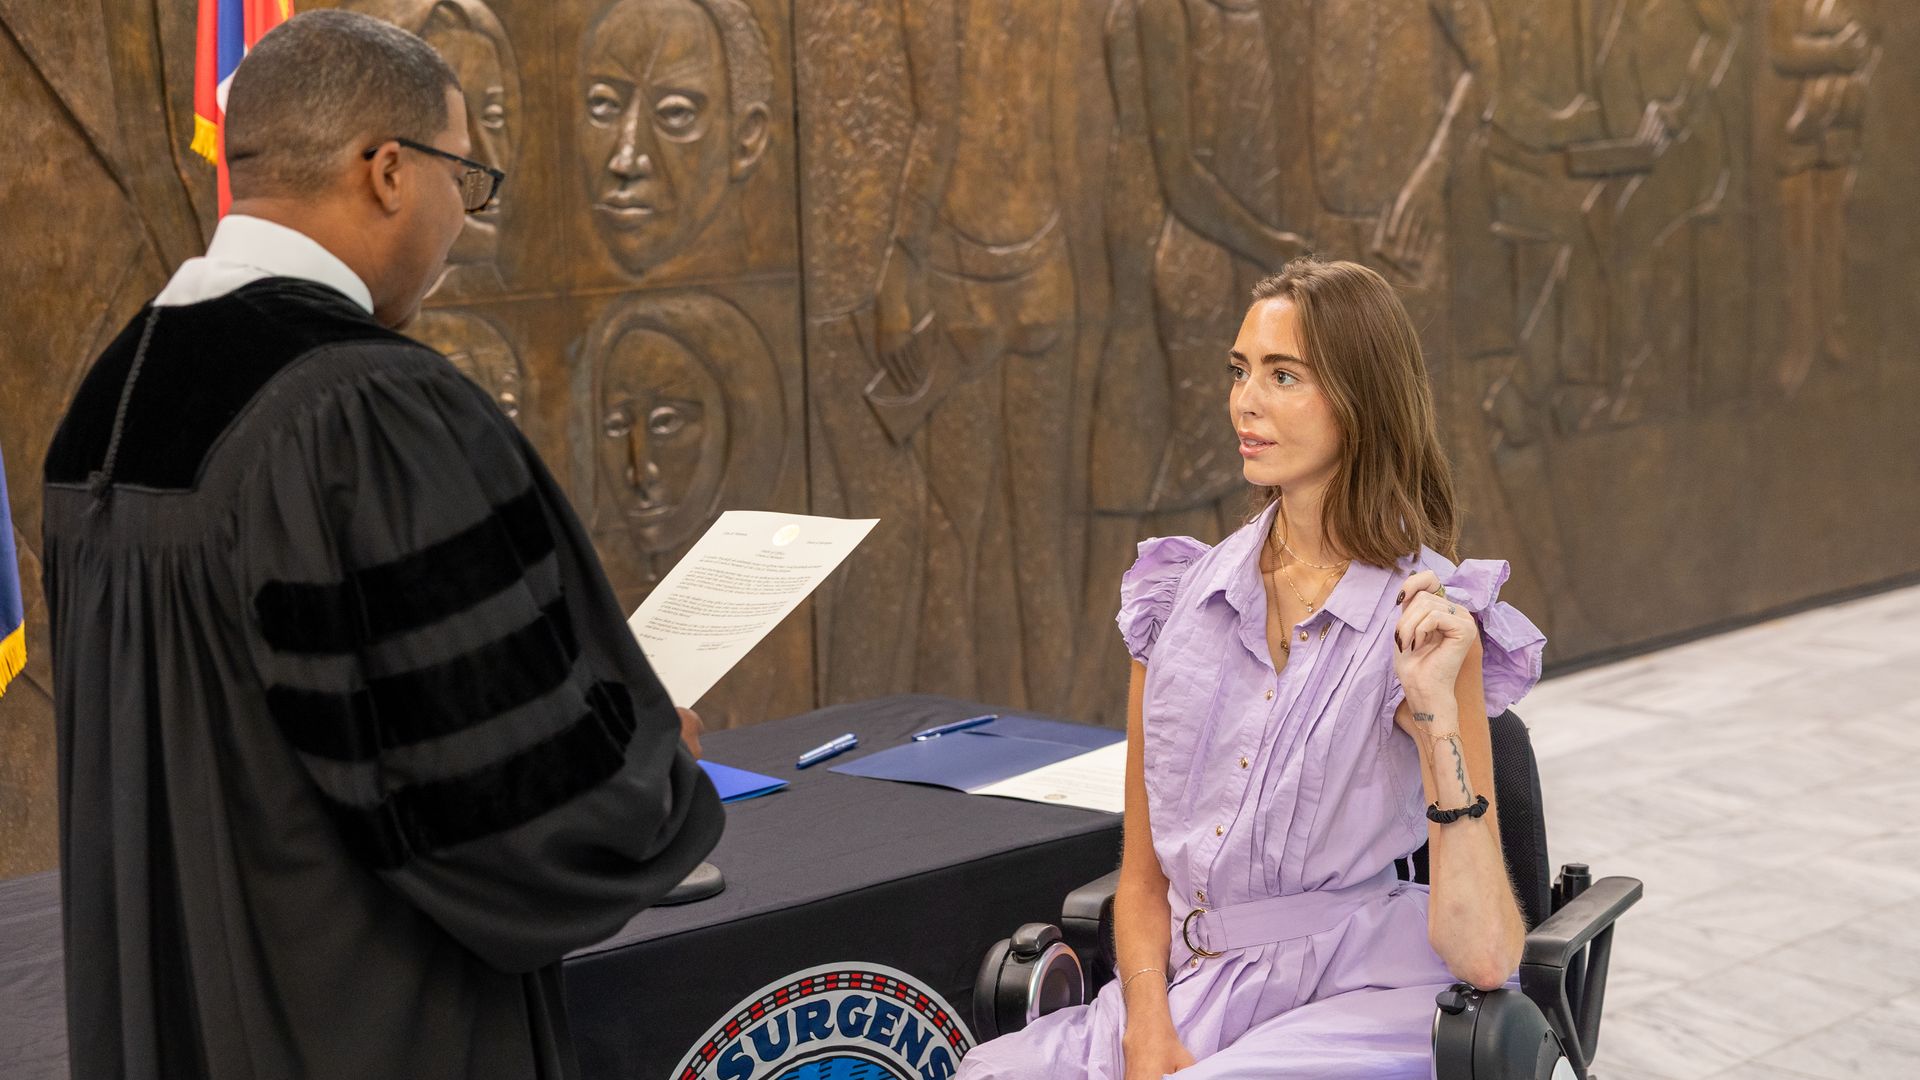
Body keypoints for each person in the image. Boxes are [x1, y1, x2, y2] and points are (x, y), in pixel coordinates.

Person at [39, 11, 721, 1079]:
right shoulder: (363, 410)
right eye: (467, 177)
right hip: (357, 1019)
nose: (464, 220)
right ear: (390, 171)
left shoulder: (108, 402)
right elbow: (501, 790)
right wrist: (643, 770)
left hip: (170, 1020)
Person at [957, 258, 1546, 1079]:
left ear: (1361, 400)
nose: (1246, 400)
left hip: (1366, 988)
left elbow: (1483, 957)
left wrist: (1437, 713)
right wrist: (1146, 1029)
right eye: (1240, 371)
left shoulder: (1428, 621)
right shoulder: (1173, 602)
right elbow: (1143, 879)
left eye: (1283, 375)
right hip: (1194, 985)